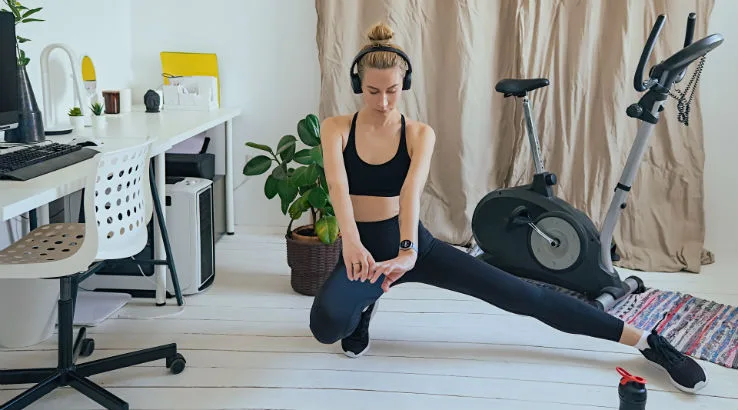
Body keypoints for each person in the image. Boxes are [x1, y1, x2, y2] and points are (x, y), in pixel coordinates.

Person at [309, 21, 708, 394]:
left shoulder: (418, 133)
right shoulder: (337, 128)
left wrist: (408, 252)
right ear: (358, 84)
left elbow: (411, 192)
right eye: (373, 91)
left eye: (392, 90)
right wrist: (351, 244)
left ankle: (647, 342)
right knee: (327, 327)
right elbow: (338, 186)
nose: (383, 101)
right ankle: (365, 304)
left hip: (415, 247)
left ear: (405, 83)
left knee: (524, 297)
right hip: (360, 253)